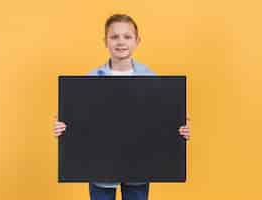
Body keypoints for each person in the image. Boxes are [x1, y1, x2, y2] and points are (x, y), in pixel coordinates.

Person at [53, 14, 190, 200]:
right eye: (114, 37)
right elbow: (78, 121)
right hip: (100, 166)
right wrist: (63, 128)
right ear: (105, 41)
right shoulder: (90, 80)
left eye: (127, 36)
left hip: (140, 165)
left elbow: (163, 122)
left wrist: (179, 130)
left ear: (137, 41)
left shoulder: (151, 80)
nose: (120, 42)